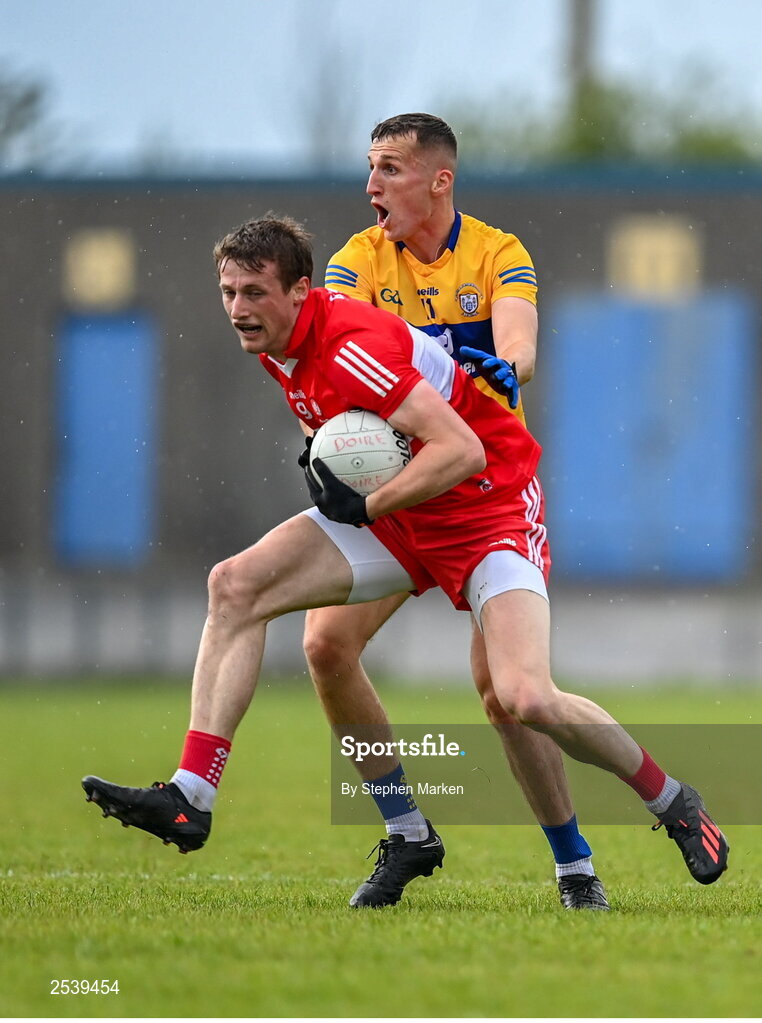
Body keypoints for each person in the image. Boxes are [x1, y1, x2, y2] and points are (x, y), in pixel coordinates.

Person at [82, 216, 729, 912]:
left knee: (522, 697)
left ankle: (669, 804)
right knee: (246, 593)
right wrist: (332, 463)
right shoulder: (277, 340)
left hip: (486, 512)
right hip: (402, 515)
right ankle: (210, 796)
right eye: (228, 292)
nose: (238, 308)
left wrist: (369, 500)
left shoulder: (358, 340)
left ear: (300, 292)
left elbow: (463, 449)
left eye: (253, 293)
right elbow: (331, 423)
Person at [305, 112, 606, 910]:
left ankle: (575, 865)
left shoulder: (498, 252)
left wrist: (504, 372)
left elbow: (520, 344)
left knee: (506, 694)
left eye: (391, 168)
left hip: (478, 500)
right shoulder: (353, 262)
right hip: (397, 498)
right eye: (370, 167)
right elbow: (340, 346)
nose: (372, 185)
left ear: (440, 179)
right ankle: (407, 832)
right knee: (327, 645)